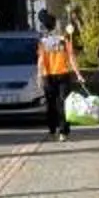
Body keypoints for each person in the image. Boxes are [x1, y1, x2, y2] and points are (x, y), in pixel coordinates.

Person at [35, 11, 80, 141]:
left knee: (51, 104)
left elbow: (41, 60)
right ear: (55, 26)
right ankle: (63, 132)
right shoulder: (63, 40)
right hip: (63, 74)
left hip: (48, 75)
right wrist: (78, 74)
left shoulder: (43, 41)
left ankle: (52, 130)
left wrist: (38, 76)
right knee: (64, 103)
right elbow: (71, 58)